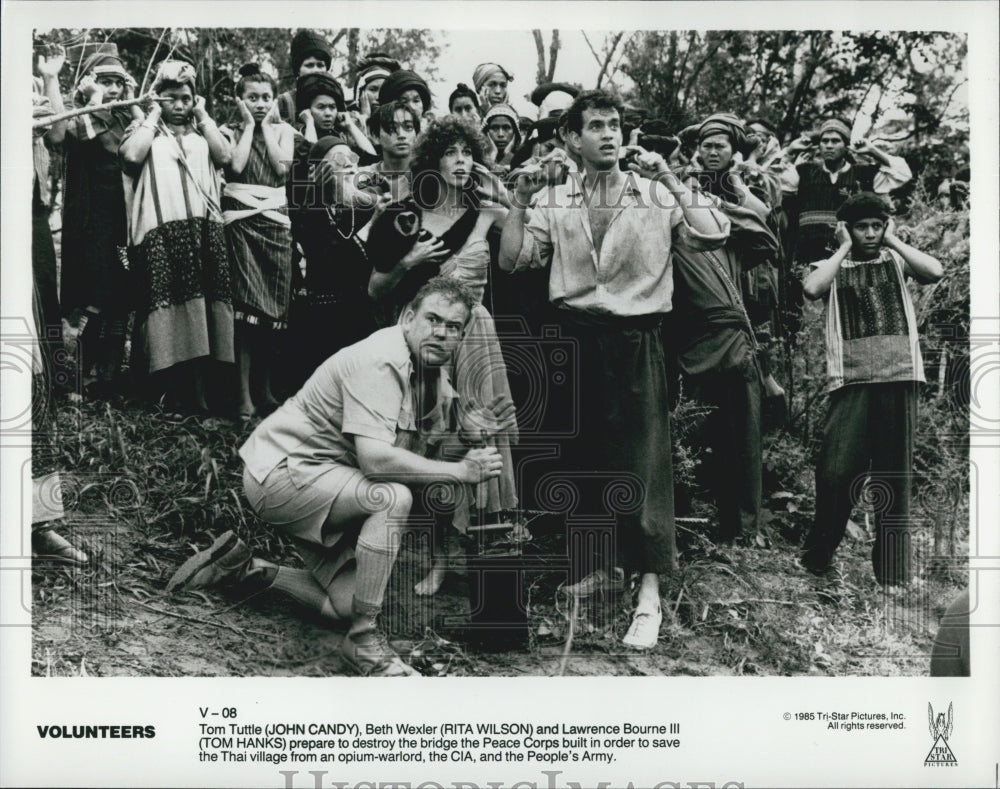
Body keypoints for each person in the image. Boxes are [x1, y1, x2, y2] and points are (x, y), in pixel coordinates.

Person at [167, 277, 508, 677]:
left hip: (327, 481)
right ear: (409, 316)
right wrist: (461, 471)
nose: (442, 333)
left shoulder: (431, 371)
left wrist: (466, 437)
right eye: (433, 319)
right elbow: (377, 463)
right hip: (282, 475)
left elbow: (422, 454)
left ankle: (244, 569)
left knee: (346, 604)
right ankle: (364, 642)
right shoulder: (383, 360)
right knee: (392, 497)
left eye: (453, 327)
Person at [499, 90, 730, 649]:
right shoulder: (553, 197)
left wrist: (674, 178)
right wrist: (517, 201)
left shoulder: (655, 190)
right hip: (575, 337)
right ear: (570, 139)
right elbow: (512, 261)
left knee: (643, 461)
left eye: (615, 125)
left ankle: (648, 591)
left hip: (636, 338)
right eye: (596, 126)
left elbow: (713, 233)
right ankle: (597, 570)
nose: (608, 134)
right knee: (581, 456)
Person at [368, 118, 520, 592]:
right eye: (451, 152)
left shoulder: (488, 211)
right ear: (432, 159)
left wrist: (506, 196)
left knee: (477, 441)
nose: (461, 160)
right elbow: (375, 290)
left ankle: (479, 559)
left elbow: (517, 258)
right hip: (422, 343)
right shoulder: (403, 215)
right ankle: (438, 557)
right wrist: (407, 262)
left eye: (467, 152)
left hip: (474, 340)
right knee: (430, 445)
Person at [800, 192, 943, 585]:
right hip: (852, 381)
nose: (870, 234)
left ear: (886, 227)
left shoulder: (896, 258)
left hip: (901, 377)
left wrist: (894, 240)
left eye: (876, 226)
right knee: (835, 472)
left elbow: (935, 271)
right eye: (861, 227)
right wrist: (843, 247)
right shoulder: (829, 265)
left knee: (894, 478)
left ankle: (894, 575)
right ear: (846, 228)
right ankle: (817, 559)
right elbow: (812, 289)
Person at [670, 115, 780, 545]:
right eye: (706, 145)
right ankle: (685, 521)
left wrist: (717, 208)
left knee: (742, 432)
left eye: (720, 146)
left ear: (733, 151)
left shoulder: (740, 192)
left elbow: (765, 233)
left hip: (733, 325)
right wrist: (685, 196)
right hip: (687, 329)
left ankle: (743, 527)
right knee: (688, 428)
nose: (712, 152)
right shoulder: (677, 184)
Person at [119, 60, 234, 416]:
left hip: (201, 230)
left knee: (203, 311)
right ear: (158, 99)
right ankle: (166, 394)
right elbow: (131, 155)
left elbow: (225, 156)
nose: (180, 104)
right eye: (171, 98)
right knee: (166, 308)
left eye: (186, 97)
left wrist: (204, 115)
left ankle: (201, 396)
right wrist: (153, 115)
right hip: (161, 231)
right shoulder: (145, 131)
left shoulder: (204, 134)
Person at [60, 44, 139, 396]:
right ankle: (82, 375)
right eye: (105, 81)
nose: (114, 90)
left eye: (118, 83)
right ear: (89, 82)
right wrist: (93, 100)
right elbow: (97, 143)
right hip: (93, 221)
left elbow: (135, 151)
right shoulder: (81, 114)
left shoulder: (124, 116)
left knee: (119, 294)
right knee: (93, 295)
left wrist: (133, 101)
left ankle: (108, 375)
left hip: (123, 218)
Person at [220, 64, 296, 421]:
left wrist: (266, 126)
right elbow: (234, 168)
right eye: (253, 98)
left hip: (276, 226)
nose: (261, 103)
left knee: (273, 314)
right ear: (240, 100)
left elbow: (283, 169)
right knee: (245, 313)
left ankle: (265, 389)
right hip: (243, 226)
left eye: (267, 97)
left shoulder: (283, 131)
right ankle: (241, 394)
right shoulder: (230, 131)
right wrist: (250, 126)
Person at [776, 117, 912, 267]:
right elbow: (770, 178)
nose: (829, 146)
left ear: (846, 145)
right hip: (807, 255)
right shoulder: (804, 171)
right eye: (825, 141)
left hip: (851, 257)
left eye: (835, 141)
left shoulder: (864, 174)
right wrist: (790, 150)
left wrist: (873, 151)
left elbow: (903, 174)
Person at [31, 46, 68, 394]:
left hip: (31, 209)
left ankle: (52, 378)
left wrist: (50, 78)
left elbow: (56, 135)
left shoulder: (31, 87)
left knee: (43, 286)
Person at [276, 29, 332, 123]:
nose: (316, 70)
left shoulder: (334, 101)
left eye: (320, 65)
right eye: (309, 65)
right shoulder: (284, 102)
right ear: (298, 70)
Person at [481, 103, 521, 175]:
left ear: (515, 132)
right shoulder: (476, 160)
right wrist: (492, 156)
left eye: (506, 128)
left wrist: (509, 156)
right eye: (494, 128)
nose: (500, 134)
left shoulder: (524, 160)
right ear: (486, 132)